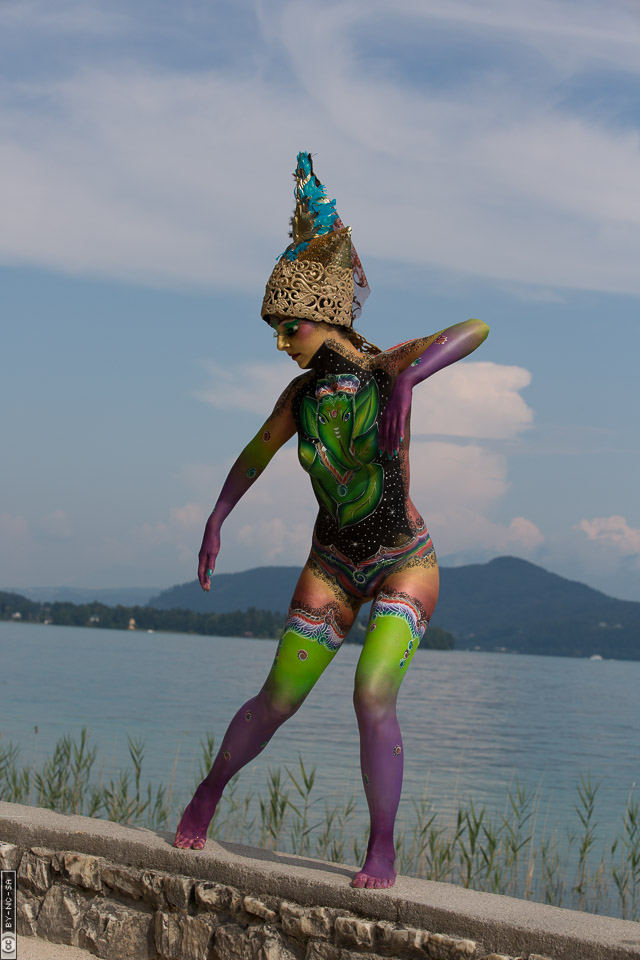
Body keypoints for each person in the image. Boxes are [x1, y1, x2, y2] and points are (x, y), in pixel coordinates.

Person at [174, 152, 489, 889]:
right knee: (278, 698)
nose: (283, 343)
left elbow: (475, 327)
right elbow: (253, 455)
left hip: (404, 559)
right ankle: (208, 792)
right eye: (278, 331)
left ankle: (381, 847)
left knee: (371, 694)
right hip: (333, 564)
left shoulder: (386, 369)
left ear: (326, 317)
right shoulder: (299, 398)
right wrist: (218, 516)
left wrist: (411, 377)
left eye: (289, 328)